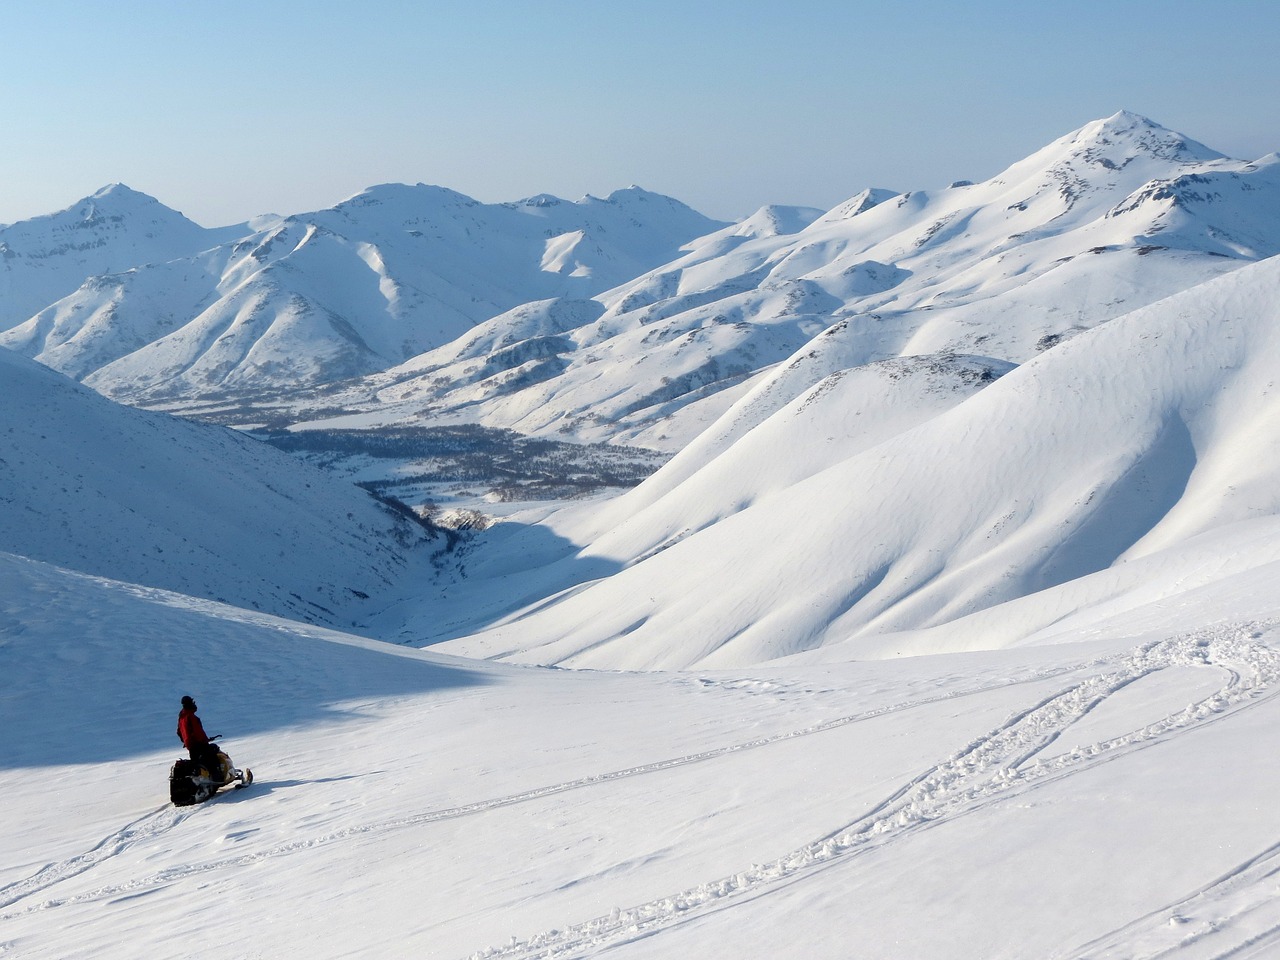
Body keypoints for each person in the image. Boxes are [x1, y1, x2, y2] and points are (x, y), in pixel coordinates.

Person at [177, 696, 223, 780]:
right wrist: (205, 740)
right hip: (198, 743)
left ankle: (202, 780)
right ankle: (217, 777)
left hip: (190, 745)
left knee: (197, 763)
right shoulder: (191, 717)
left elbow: (179, 732)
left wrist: (186, 741)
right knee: (212, 756)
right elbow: (198, 732)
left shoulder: (182, 717)